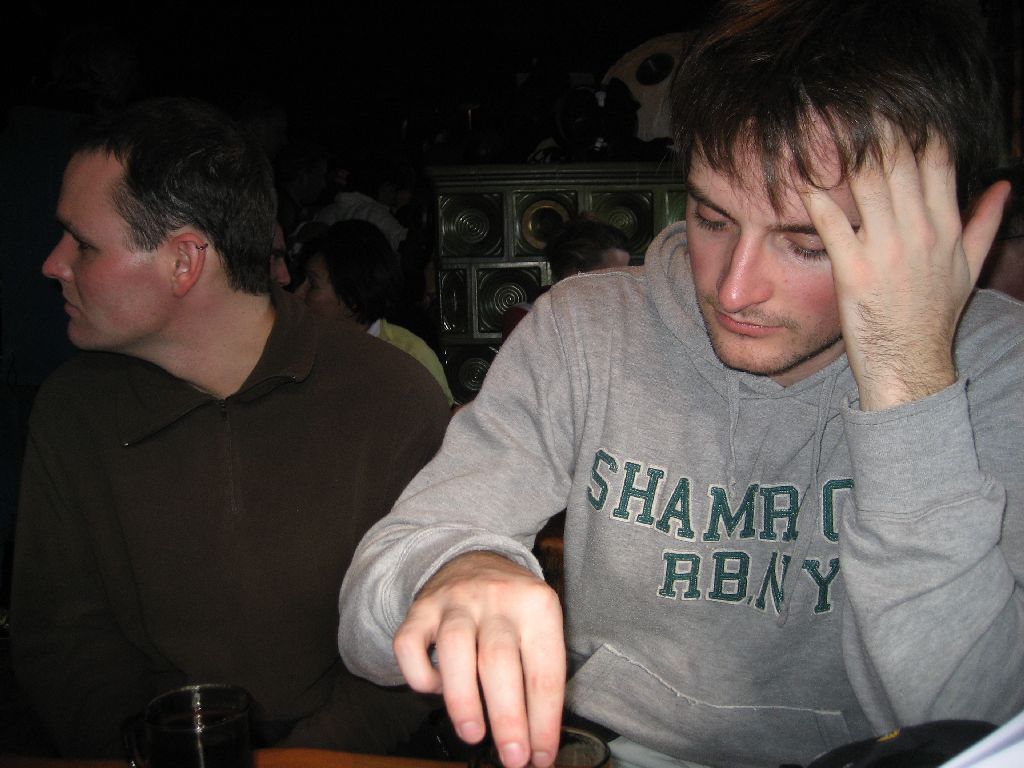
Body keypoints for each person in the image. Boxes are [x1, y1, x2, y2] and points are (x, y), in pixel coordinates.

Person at [336, 2, 1024, 768]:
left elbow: (977, 720)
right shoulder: (586, 330)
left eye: (806, 244)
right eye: (712, 217)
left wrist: (910, 389)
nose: (733, 290)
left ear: (941, 229)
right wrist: (458, 567)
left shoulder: (1002, 368)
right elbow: (369, 618)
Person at [10, 96, 451, 758]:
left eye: (83, 243)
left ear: (184, 261)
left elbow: (423, 636)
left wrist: (295, 760)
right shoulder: (74, 408)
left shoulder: (390, 396)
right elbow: (62, 638)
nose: (53, 264)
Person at [295, 219, 456, 408]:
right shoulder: (300, 351)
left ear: (352, 297)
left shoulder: (410, 358)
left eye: (312, 284)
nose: (298, 294)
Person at [502, 214, 631, 340]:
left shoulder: (623, 318)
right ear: (574, 272)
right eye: (611, 276)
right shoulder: (527, 318)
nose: (621, 287)